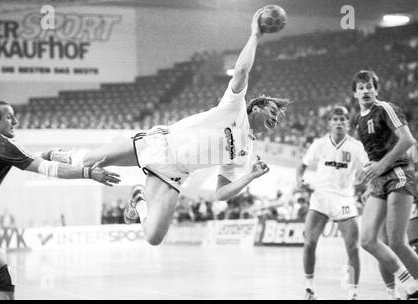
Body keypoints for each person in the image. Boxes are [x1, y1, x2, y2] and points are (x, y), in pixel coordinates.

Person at [45, 9, 291, 247]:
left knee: (153, 237)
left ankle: (138, 201)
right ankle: (58, 154)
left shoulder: (246, 151)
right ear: (256, 107)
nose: (276, 118)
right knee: (90, 160)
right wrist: (255, 36)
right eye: (273, 110)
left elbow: (221, 194)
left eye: (279, 117)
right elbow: (241, 70)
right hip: (159, 145)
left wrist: (251, 176)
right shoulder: (234, 107)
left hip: (174, 174)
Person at [0, 101, 121, 300]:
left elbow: (21, 158)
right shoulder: (1, 144)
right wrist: (88, 172)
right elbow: (49, 169)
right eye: (9, 117)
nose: (16, 121)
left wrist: (46, 155)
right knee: (4, 277)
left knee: (3, 276)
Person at [353, 70, 418, 300]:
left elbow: (409, 140)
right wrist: (370, 180)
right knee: (368, 240)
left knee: (397, 241)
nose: (365, 90)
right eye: (360, 88)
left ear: (376, 89)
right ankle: (410, 285)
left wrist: (380, 166)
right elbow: (373, 155)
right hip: (379, 181)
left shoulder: (385, 109)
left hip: (399, 173)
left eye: (369, 86)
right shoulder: (358, 120)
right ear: (355, 93)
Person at [295, 106, 368, 300]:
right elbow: (301, 167)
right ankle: (309, 289)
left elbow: (369, 168)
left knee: (352, 249)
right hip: (320, 199)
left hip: (344, 199)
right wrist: (299, 181)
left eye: (343, 119)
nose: (339, 122)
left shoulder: (356, 146)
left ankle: (352, 292)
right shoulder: (319, 144)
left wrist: (364, 184)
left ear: (347, 123)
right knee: (309, 243)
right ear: (329, 123)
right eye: (335, 119)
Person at [377, 142, 418, 299]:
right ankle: (392, 292)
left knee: (405, 244)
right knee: (384, 243)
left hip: (408, 195)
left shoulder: (409, 143)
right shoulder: (374, 141)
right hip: (386, 193)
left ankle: (413, 286)